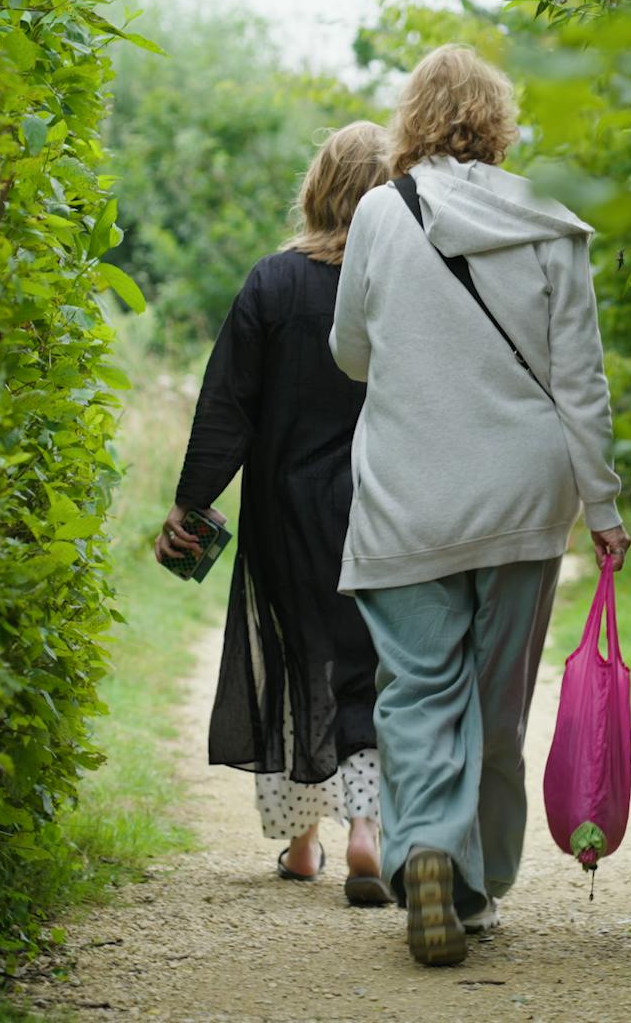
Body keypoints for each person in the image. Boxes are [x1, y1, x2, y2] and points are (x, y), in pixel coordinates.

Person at [329, 45, 631, 966]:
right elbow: (581, 381)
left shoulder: (380, 214)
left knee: (417, 690)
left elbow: (349, 352)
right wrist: (604, 508)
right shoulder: (547, 218)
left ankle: (423, 847)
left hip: (407, 496)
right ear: (499, 123)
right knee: (494, 705)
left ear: (410, 120)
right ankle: (474, 886)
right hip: (520, 497)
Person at [157, 121, 394, 906]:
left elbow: (228, 405)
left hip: (285, 506)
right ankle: (369, 831)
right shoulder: (399, 280)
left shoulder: (271, 282)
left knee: (299, 660)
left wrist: (193, 504)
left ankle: (303, 845)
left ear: (316, 187)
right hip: (384, 501)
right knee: (370, 661)